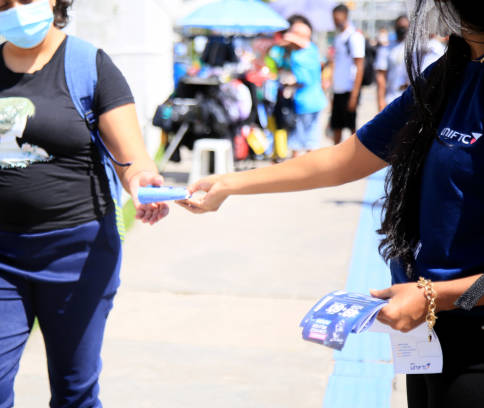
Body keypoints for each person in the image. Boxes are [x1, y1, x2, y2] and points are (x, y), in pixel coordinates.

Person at [179, 0, 484, 406]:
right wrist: (231, 183)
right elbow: (348, 158)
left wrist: (437, 296)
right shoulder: (452, 72)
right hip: (425, 332)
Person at [0, 1, 168, 407]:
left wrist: (143, 183)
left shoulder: (91, 66)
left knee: (74, 392)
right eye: (1, 3)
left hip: (80, 256)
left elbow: (133, 159)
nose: (14, 9)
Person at [281, 16, 327, 157]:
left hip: (304, 101)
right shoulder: (312, 50)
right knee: (312, 139)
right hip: (318, 99)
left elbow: (303, 79)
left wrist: (289, 83)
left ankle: (296, 173)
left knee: (298, 139)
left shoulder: (298, 57)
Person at [330, 3, 365, 145]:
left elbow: (360, 66)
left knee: (352, 128)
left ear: (345, 16)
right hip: (338, 90)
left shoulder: (354, 36)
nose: (336, 21)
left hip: (349, 91)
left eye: (337, 18)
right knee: (336, 126)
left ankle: (355, 160)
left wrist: (354, 95)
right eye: (334, 18)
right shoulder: (339, 37)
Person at [375, 15, 410, 111]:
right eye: (400, 27)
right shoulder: (386, 49)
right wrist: (381, 100)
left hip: (411, 100)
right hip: (391, 99)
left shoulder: (416, 49)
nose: (402, 30)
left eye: (405, 27)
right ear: (395, 27)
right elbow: (381, 76)